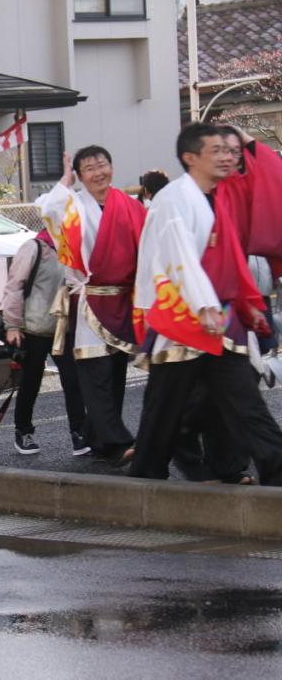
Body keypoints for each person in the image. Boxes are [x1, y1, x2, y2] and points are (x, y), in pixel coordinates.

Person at [129, 123, 282, 485]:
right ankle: (145, 477)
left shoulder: (220, 194)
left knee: (244, 399)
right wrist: (203, 305)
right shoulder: (173, 199)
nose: (227, 157)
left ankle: (273, 469)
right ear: (190, 158)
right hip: (181, 315)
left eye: (230, 151)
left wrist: (246, 302)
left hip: (217, 315)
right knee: (164, 408)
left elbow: (230, 255)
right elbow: (178, 254)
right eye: (217, 151)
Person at [37, 146, 146, 465]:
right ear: (80, 175)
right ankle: (116, 442)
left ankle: (96, 438)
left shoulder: (129, 205)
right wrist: (65, 181)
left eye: (103, 165)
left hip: (123, 300)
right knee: (96, 373)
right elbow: (48, 210)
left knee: (114, 374)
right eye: (89, 168)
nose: (99, 172)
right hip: (89, 301)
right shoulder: (71, 204)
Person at [1, 230, 89, 456]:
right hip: (34, 328)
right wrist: (12, 325)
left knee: (74, 381)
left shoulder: (73, 248)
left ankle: (79, 433)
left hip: (63, 329)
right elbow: (14, 286)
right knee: (31, 382)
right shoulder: (35, 247)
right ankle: (23, 432)